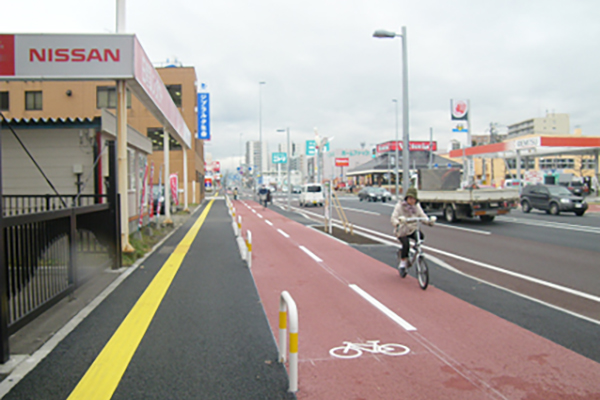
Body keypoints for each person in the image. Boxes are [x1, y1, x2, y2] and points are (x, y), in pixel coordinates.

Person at [390, 187, 435, 276]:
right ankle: (402, 264)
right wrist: (398, 223)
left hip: (413, 228)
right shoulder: (400, 206)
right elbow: (393, 217)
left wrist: (429, 221)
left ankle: (416, 248)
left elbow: (422, 215)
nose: (412, 201)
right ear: (406, 198)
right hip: (403, 229)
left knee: (421, 236)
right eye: (410, 198)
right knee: (406, 244)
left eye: (414, 199)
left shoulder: (417, 207)